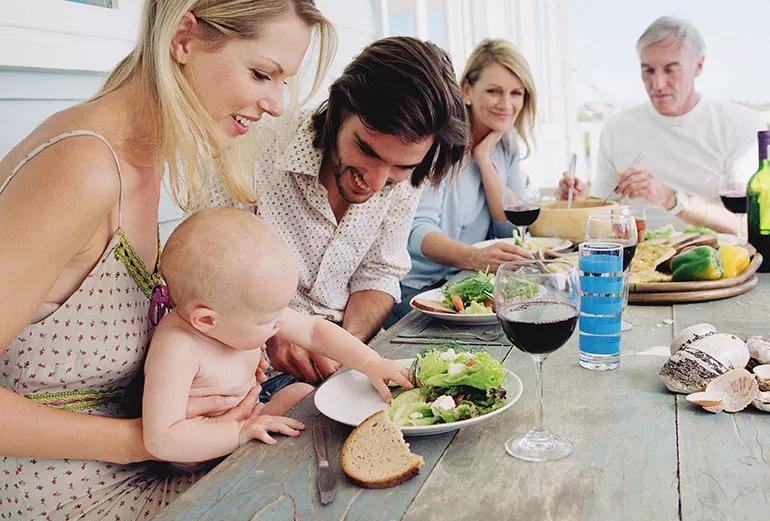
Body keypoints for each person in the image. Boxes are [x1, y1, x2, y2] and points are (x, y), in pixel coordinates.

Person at [0, 0, 334, 521]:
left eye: (282, 82)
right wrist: (144, 439)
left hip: (146, 464)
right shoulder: (82, 166)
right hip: (70, 497)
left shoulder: (144, 157)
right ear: (183, 38)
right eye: (262, 73)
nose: (275, 103)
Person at [210, 36, 468, 384]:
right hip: (247, 374)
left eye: (400, 168)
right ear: (340, 109)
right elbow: (211, 274)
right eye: (368, 151)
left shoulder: (408, 176)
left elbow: (379, 273)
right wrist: (272, 333)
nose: (376, 183)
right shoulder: (252, 147)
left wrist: (344, 346)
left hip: (348, 364)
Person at [143, 207, 411, 469]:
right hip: (200, 447)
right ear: (206, 320)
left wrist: (370, 362)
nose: (281, 323)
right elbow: (162, 439)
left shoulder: (236, 312)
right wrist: (239, 432)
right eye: (267, 320)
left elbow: (313, 331)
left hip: (253, 410)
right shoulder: (177, 349)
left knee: (306, 397)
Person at [557, 16, 765, 234]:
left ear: (699, 65)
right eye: (648, 70)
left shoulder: (739, 123)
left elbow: (747, 224)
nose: (657, 84)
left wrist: (670, 199)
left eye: (670, 69)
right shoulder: (618, 127)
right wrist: (581, 203)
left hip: (716, 259)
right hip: (637, 258)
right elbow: (605, 211)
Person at [387, 39, 535, 327]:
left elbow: (509, 226)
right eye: (494, 91)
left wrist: (484, 158)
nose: (507, 104)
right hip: (419, 290)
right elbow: (416, 233)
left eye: (516, 93)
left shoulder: (506, 144)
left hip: (467, 284)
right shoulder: (438, 142)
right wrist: (473, 258)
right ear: (466, 90)